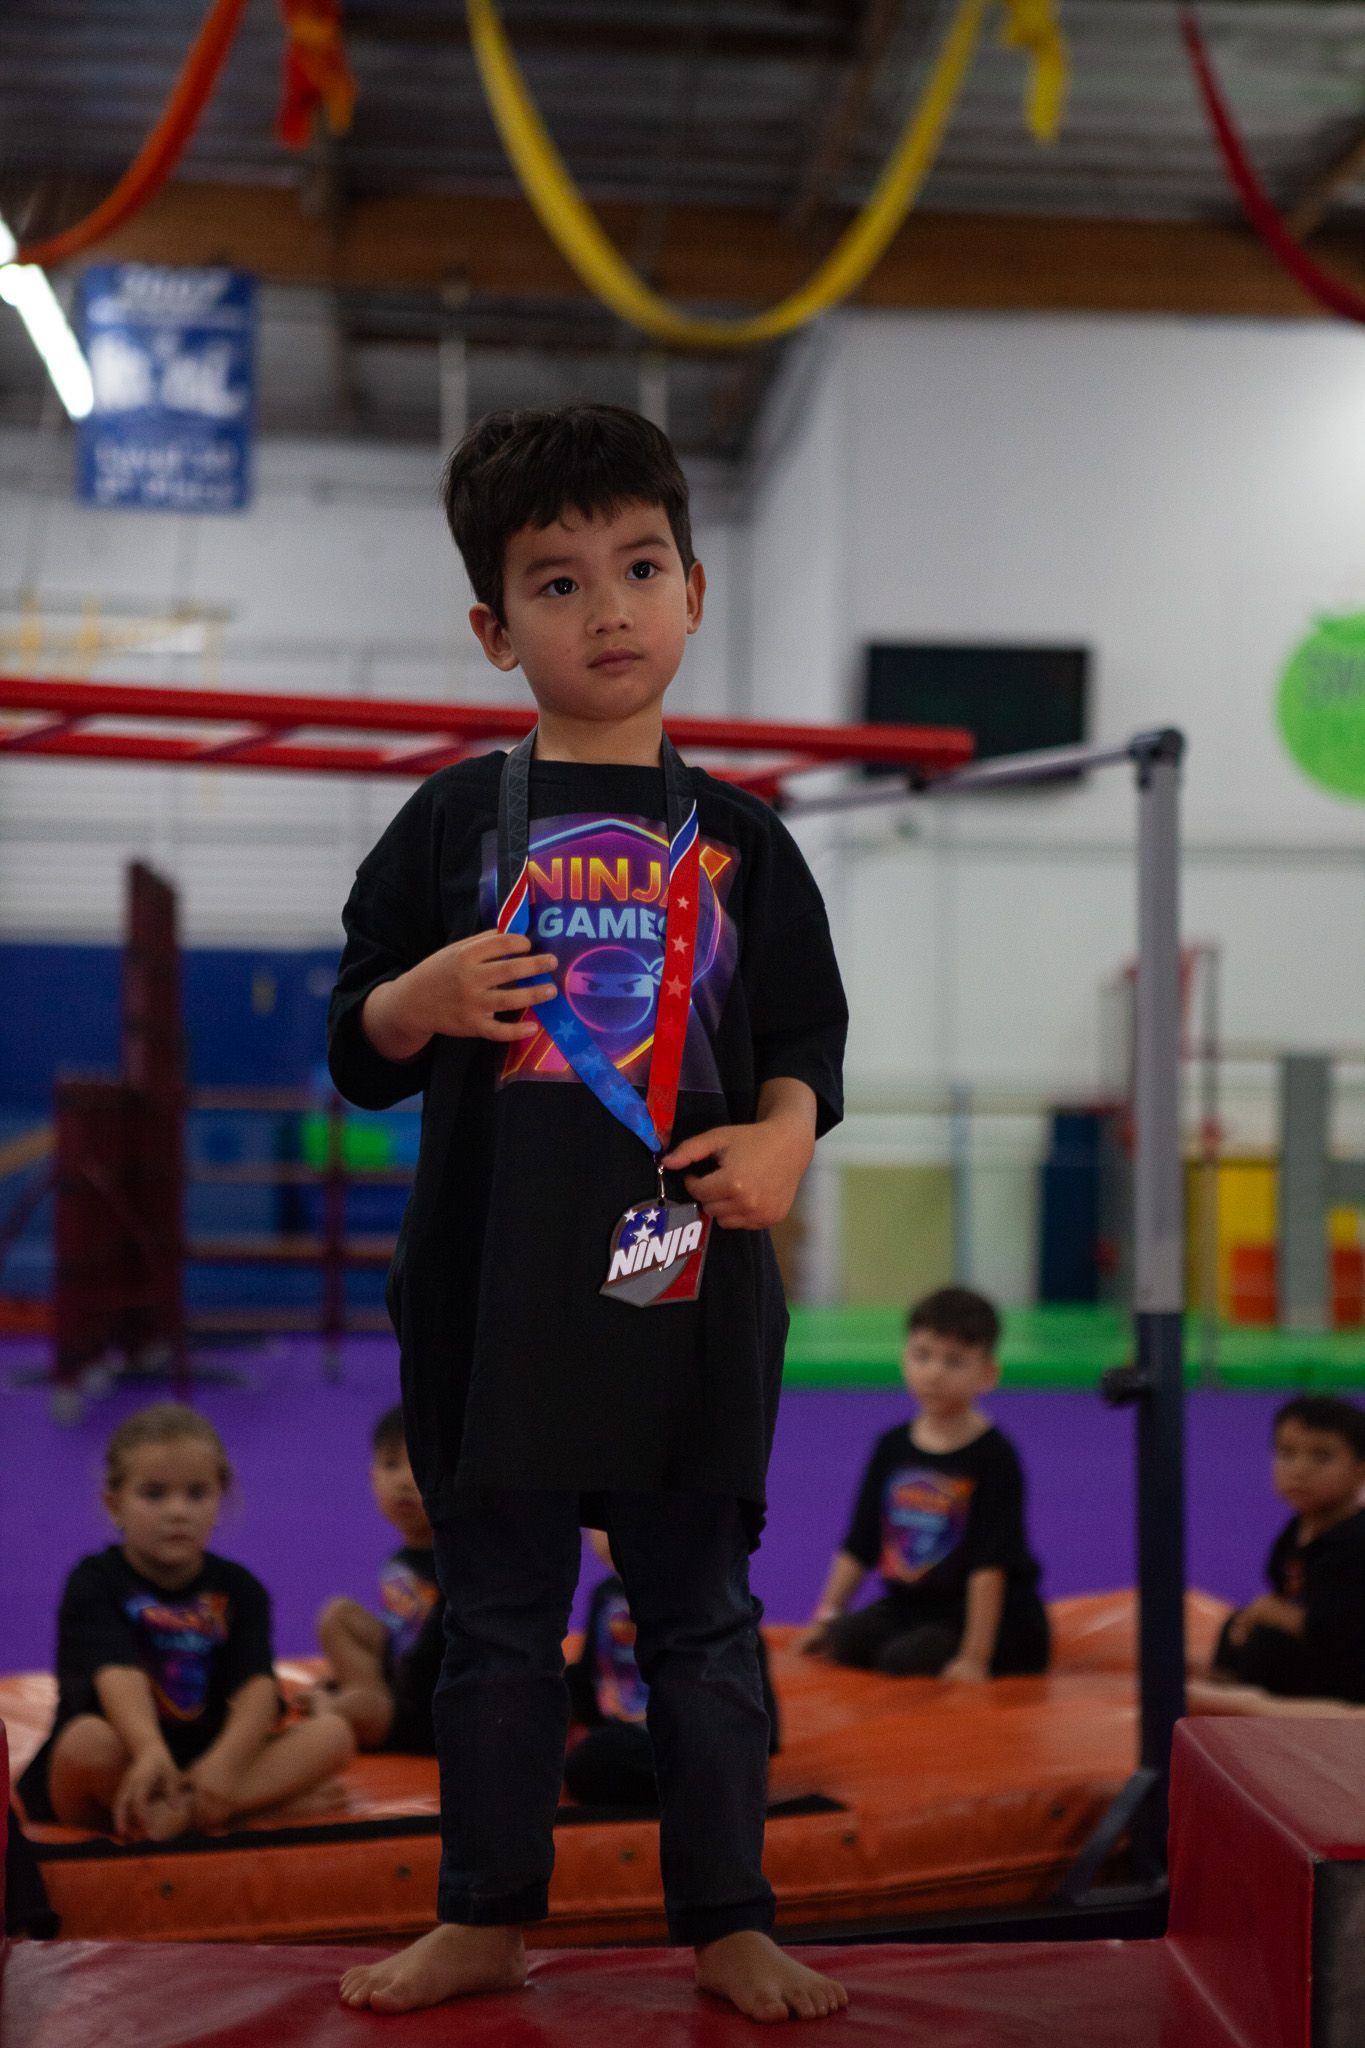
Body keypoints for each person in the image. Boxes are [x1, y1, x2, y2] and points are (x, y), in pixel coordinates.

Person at [327, 403, 849, 2023]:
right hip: (493, 1281)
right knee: (496, 1617)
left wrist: (782, 1141)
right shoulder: (450, 830)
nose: (605, 607)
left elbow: (808, 1049)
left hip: (670, 1260)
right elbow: (357, 1049)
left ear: (694, 588)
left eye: (636, 569)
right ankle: (485, 1910)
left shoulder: (746, 843)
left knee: (697, 1611)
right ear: (495, 628)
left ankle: (730, 1915)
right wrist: (412, 997)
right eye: (556, 583)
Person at [16, 1403, 353, 1841]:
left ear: (221, 1496)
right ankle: (238, 1810)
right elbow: (118, 1673)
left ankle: (187, 1812)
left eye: (196, 1493)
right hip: (120, 1760)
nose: (178, 1511)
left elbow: (255, 1689)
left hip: (204, 1761)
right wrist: (150, 1749)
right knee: (85, 1743)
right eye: (154, 1494)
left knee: (334, 1733)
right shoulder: (95, 1580)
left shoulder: (239, 1587)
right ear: (113, 1503)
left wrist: (223, 1767)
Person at [799, 1287, 1049, 1680]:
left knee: (904, 1660)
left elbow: (991, 1564)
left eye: (954, 1362)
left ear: (987, 1374)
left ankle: (975, 1646)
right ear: (905, 1359)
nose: (933, 1372)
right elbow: (860, 1543)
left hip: (990, 1620)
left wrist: (974, 1658)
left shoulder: (994, 1456)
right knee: (844, 1641)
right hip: (913, 1606)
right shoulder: (892, 1446)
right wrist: (825, 1617)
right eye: (922, 1356)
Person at [565, 1530, 780, 1809]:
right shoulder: (606, 1597)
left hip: (697, 1746)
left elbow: (750, 1697)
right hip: (629, 1743)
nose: (613, 1533)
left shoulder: (711, 1597)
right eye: (599, 1523)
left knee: (592, 1760)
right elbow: (594, 1679)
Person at [1208, 1395, 1365, 1703]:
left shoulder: (1355, 1542)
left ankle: (1245, 1699)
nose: (1299, 1470)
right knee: (1237, 1623)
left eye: (1321, 1457)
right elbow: (1283, 1591)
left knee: (1267, 1642)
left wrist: (1269, 1613)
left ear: (1360, 1472)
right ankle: (1223, 1686)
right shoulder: (1297, 1531)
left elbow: (1337, 1629)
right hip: (1317, 1644)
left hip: (1350, 1657)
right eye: (1286, 1453)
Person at [309, 1406, 444, 1753]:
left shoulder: (459, 1561)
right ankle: (365, 1706)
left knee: (345, 1705)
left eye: (420, 1464)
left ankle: (340, 1717)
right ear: (373, 1479)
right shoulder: (399, 1561)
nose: (404, 1480)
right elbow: (399, 1637)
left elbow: (436, 1655)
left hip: (435, 1710)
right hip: (396, 1693)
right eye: (391, 1465)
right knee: (338, 1614)